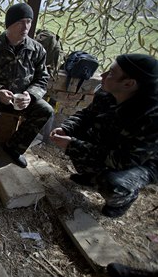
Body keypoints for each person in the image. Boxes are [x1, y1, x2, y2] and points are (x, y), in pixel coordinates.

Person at [50, 54, 158, 218]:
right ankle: (90, 176)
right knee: (80, 144)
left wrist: (73, 145)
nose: (102, 75)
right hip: (113, 144)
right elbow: (86, 116)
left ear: (129, 84)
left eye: (112, 73)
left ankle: (122, 201)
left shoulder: (151, 119)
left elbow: (122, 160)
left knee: (114, 184)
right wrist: (67, 128)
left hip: (141, 162)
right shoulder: (106, 93)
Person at [0, 2, 54, 168]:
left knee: (46, 110)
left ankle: (14, 147)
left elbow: (43, 78)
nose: (25, 26)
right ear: (9, 25)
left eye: (28, 21)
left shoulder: (36, 50)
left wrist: (31, 95)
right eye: (20, 22)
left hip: (22, 99)